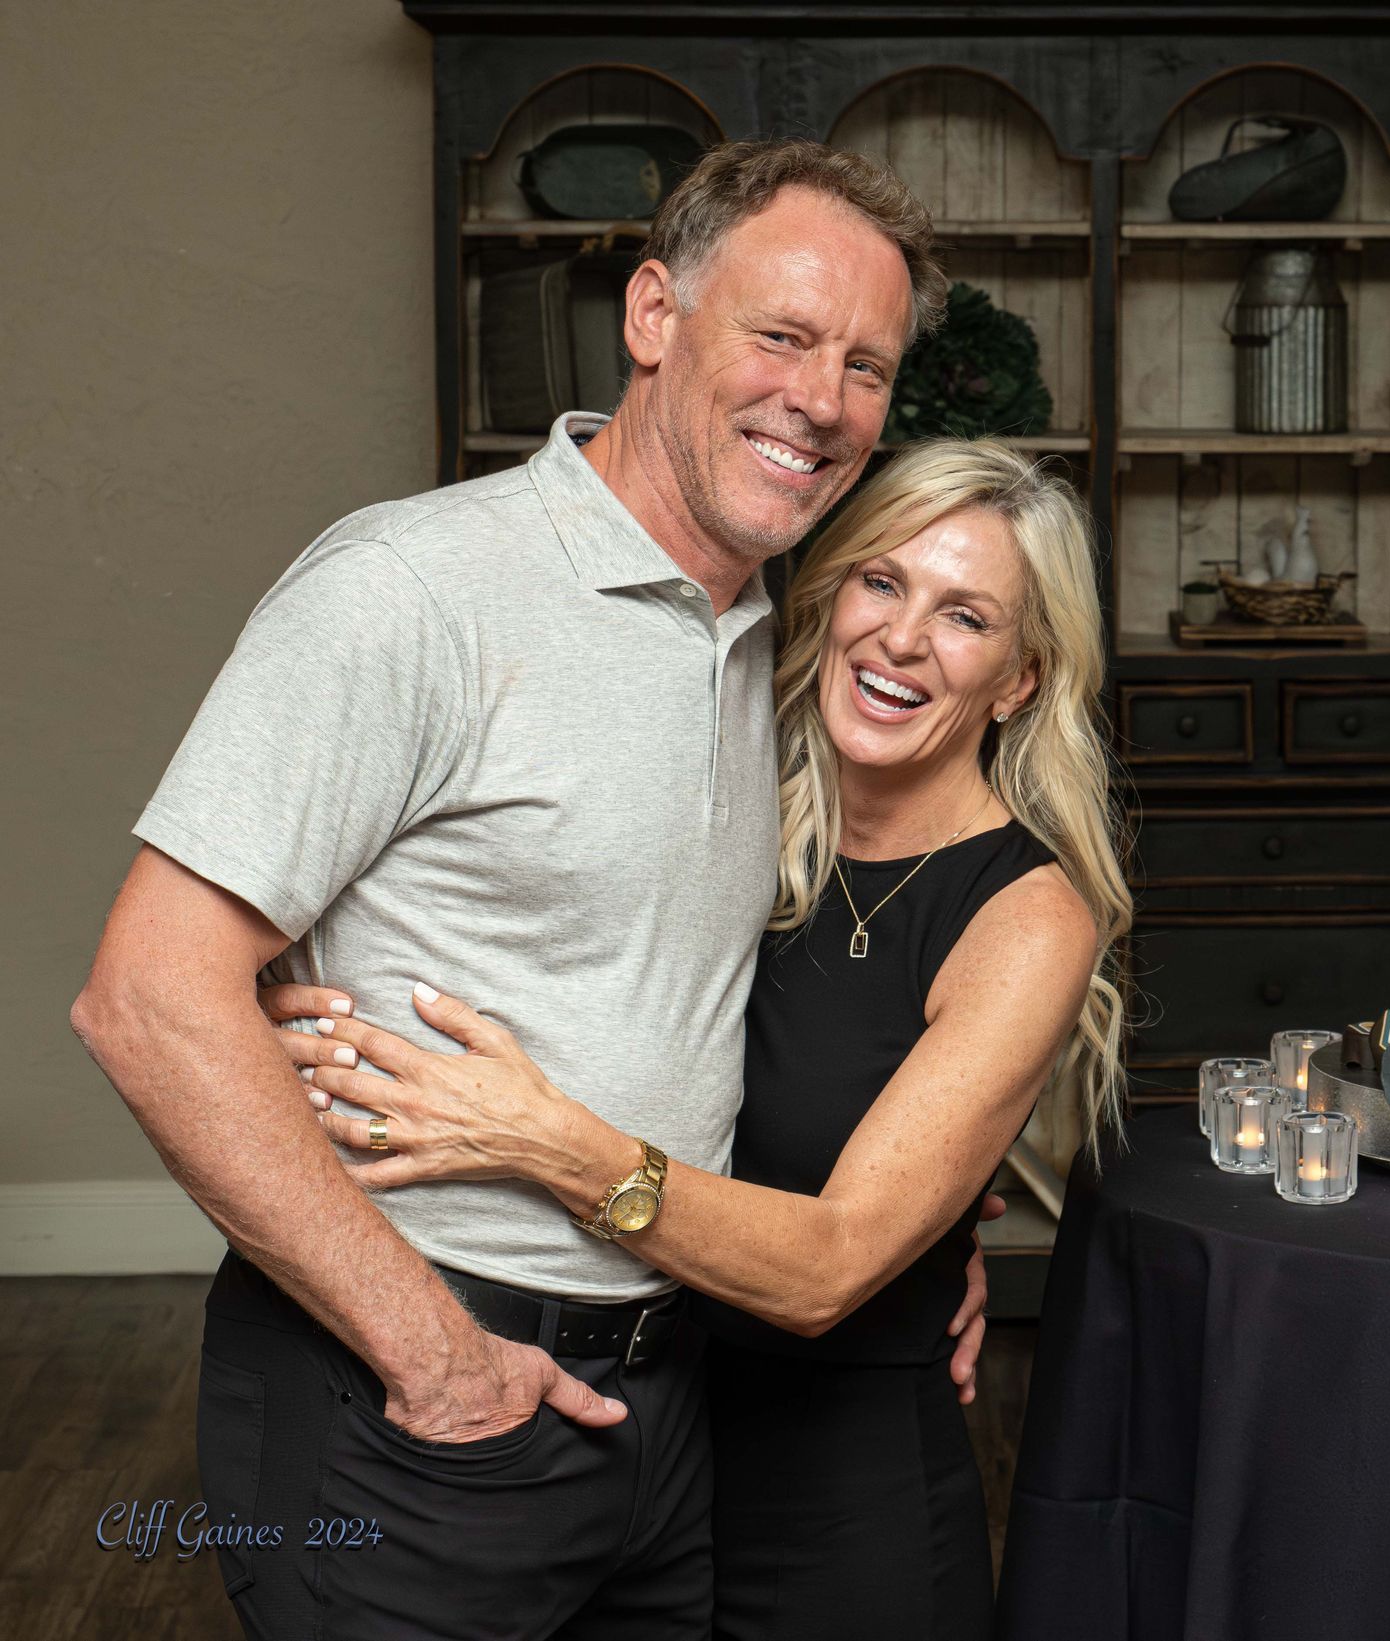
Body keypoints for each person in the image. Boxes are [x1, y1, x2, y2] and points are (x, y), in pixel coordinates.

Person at [68, 138, 972, 1639]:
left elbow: (808, 989)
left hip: (678, 1399)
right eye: (783, 335)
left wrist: (916, 1247)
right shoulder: (411, 590)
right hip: (412, 1387)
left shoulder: (802, 644)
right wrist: (432, 1353)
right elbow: (147, 999)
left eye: (868, 366)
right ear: (653, 315)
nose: (822, 399)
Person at [267, 437, 1130, 1639]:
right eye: (882, 583)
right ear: (830, 598)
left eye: (965, 616)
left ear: (1021, 678)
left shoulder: (1025, 918)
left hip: (840, 1499)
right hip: (640, 1444)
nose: (901, 639)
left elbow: (831, 1267)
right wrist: (294, 997)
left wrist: (542, 1139)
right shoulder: (743, 793)